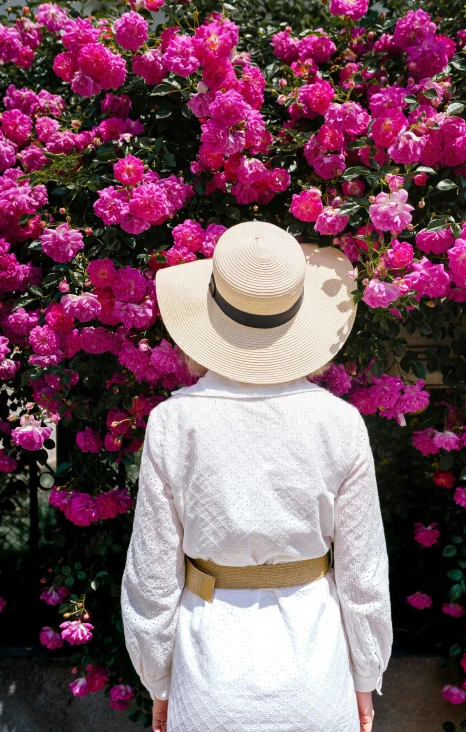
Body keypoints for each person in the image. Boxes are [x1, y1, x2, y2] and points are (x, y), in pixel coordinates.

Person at [121, 220, 393, 732]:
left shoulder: (174, 423)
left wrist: (159, 683)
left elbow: (152, 580)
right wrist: (364, 678)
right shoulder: (339, 423)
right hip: (316, 674)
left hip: (209, 673)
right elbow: (364, 578)